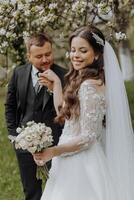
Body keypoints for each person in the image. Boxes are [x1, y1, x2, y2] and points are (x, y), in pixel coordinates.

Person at [33, 26, 134, 200]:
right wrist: (57, 85)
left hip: (81, 164)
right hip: (68, 156)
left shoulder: (88, 87)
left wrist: (54, 151)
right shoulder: (86, 80)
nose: (75, 55)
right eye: (73, 50)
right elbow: (67, 116)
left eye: (83, 50)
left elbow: (88, 138)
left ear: (96, 54)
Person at [5, 32, 67, 200]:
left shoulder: (64, 76)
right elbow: (9, 106)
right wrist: (15, 136)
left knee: (59, 189)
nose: (45, 59)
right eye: (39, 56)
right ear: (29, 56)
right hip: (25, 143)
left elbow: (67, 112)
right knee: (31, 191)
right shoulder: (19, 73)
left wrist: (55, 89)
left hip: (55, 143)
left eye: (48, 54)